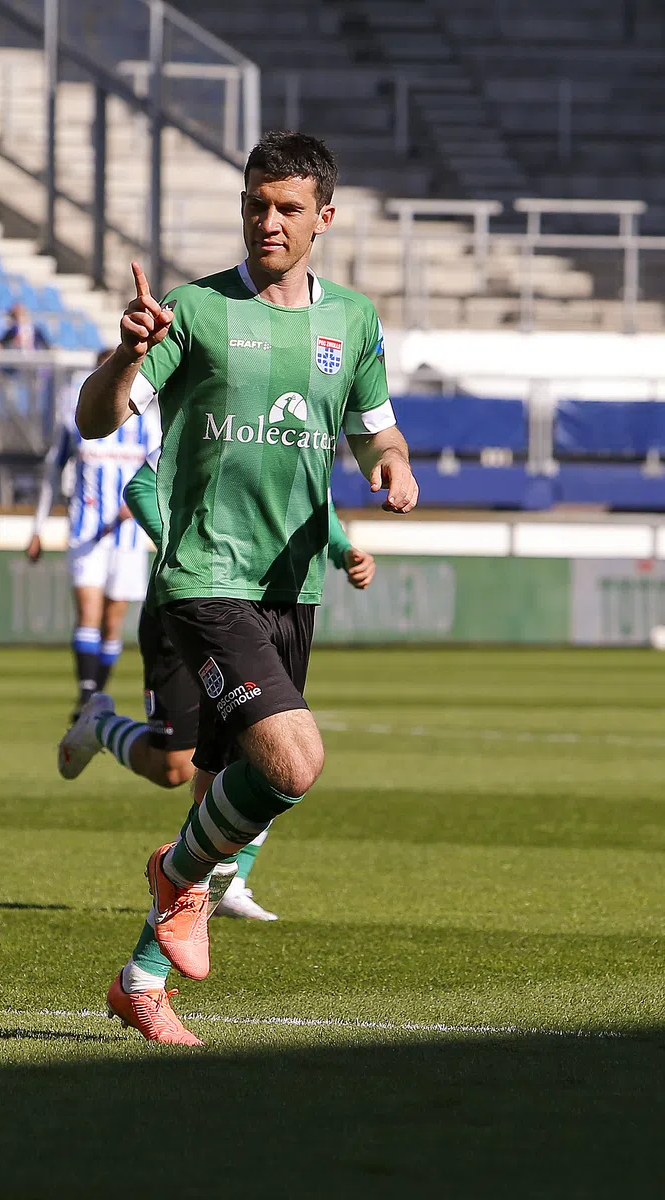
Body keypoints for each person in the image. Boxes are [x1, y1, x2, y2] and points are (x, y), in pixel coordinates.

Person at [72, 131, 418, 1044]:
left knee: (237, 797)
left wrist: (392, 465)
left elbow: (376, 431)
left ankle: (141, 982)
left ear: (323, 218)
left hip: (291, 585)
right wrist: (123, 355)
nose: (270, 221)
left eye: (288, 208)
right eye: (257, 205)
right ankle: (174, 879)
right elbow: (94, 420)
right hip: (204, 575)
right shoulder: (192, 310)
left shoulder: (353, 322)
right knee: (293, 763)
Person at [60, 452, 376, 923]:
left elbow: (312, 500)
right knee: (173, 768)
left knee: (269, 747)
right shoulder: (217, 415)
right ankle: (100, 724)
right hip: (188, 603)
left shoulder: (308, 424)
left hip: (266, 609)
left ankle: (230, 880)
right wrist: (186, 553)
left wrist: (343, 550)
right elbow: (142, 486)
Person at [27, 348, 157, 721]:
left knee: (112, 622)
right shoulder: (76, 420)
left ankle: (97, 692)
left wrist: (141, 502)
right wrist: (37, 529)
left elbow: (164, 469)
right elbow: (52, 474)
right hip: (86, 531)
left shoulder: (148, 422)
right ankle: (85, 696)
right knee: (88, 612)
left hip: (129, 536)